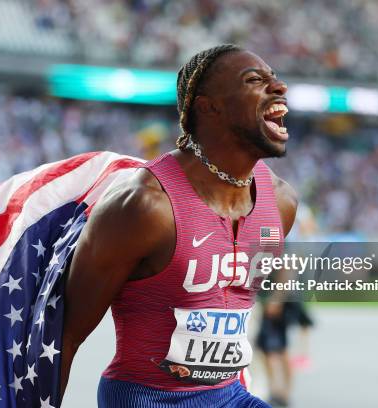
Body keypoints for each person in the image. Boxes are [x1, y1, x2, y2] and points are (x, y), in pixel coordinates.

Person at [60, 44, 298, 407]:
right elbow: (65, 336)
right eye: (254, 80)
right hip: (148, 398)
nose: (278, 87)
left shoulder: (281, 204)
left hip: (230, 396)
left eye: (275, 79)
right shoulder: (144, 206)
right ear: (208, 106)